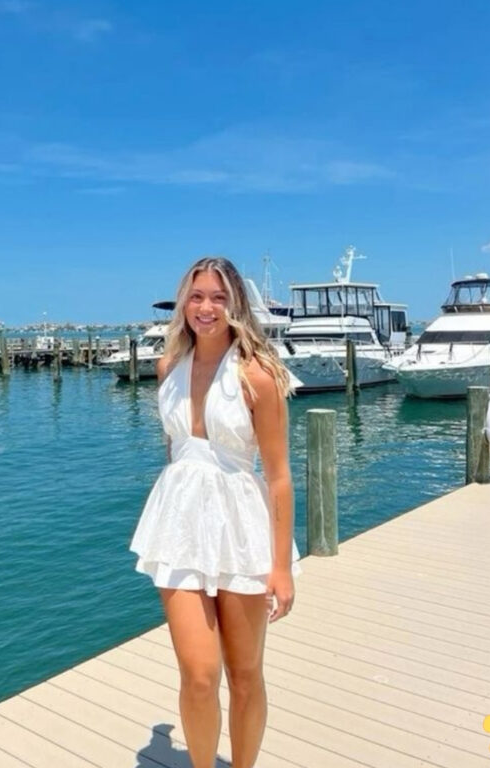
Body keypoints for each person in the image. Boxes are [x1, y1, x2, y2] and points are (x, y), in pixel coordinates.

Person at [130, 256, 300, 768]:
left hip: (242, 527)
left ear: (236, 306)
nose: (206, 307)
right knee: (199, 675)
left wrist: (282, 567)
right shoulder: (167, 368)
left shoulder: (259, 377)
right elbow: (178, 453)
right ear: (184, 302)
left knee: (245, 674)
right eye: (197, 296)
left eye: (219, 297)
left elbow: (278, 476)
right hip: (178, 525)